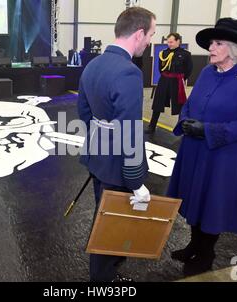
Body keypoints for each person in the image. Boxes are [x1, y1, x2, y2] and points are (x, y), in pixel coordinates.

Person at [166, 18, 237, 276]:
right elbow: (190, 102)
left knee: (212, 203)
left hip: (223, 154)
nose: (211, 47)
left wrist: (209, 130)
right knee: (194, 199)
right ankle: (193, 244)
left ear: (235, 48)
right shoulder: (207, 72)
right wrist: (186, 120)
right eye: (211, 42)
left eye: (218, 43)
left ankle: (206, 253)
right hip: (194, 148)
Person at [77, 7, 156, 282]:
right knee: (111, 226)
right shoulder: (129, 72)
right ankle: (103, 281)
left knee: (106, 218)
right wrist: (136, 181)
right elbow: (129, 130)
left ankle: (106, 274)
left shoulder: (93, 65)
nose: (149, 42)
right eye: (150, 35)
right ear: (138, 33)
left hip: (99, 160)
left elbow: (84, 113)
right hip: (119, 168)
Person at [146, 33, 193, 134]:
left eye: (171, 42)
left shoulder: (185, 54)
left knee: (180, 106)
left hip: (177, 82)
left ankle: (181, 129)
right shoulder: (163, 53)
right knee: (157, 103)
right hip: (164, 80)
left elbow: (189, 69)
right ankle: (152, 126)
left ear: (178, 41)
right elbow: (160, 68)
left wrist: (182, 78)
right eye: (168, 42)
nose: (169, 44)